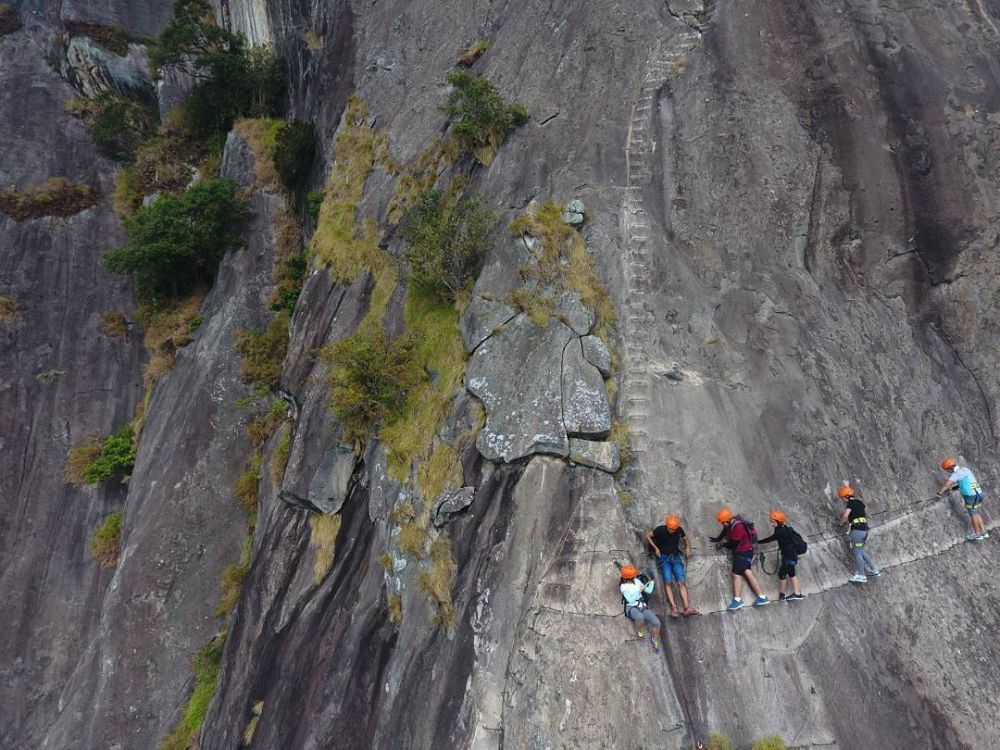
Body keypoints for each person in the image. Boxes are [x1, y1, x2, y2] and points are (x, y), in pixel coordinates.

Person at [709, 508, 769, 610]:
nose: (723, 524)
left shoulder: (738, 527)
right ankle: (762, 597)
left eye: (723, 522)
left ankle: (737, 600)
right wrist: (718, 539)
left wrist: (723, 544)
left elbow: (733, 544)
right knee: (748, 574)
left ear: (728, 520)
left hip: (743, 552)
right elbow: (726, 530)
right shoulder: (732, 522)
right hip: (747, 551)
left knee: (736, 574)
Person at [645, 515, 699, 617]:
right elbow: (648, 536)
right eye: (670, 528)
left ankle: (687, 608)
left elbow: (685, 538)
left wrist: (688, 547)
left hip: (675, 556)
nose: (672, 531)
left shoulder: (678, 529)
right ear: (667, 525)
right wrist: (656, 548)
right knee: (668, 583)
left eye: (673, 529)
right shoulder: (660, 530)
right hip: (664, 558)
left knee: (681, 582)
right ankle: (674, 608)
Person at [756, 510, 805, 601]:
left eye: (773, 522)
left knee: (782, 574)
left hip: (789, 557)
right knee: (792, 574)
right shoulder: (785, 528)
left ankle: (782, 595)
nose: (772, 524)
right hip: (792, 556)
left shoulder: (780, 531)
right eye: (771, 521)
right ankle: (797, 593)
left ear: (778, 522)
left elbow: (770, 539)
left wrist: (758, 542)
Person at [937, 458, 989, 541]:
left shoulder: (956, 474)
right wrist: (953, 488)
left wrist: (939, 493)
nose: (948, 472)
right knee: (976, 512)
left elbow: (947, 484)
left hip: (970, 496)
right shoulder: (965, 469)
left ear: (949, 468)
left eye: (947, 470)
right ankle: (984, 532)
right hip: (979, 493)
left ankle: (977, 534)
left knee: (973, 514)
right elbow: (965, 482)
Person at [837, 485, 881, 583]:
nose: (842, 500)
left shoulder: (850, 504)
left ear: (845, 496)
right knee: (861, 551)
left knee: (857, 553)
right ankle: (874, 569)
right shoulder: (860, 502)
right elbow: (867, 514)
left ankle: (861, 575)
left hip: (856, 531)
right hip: (865, 530)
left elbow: (845, 516)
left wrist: (840, 524)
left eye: (842, 498)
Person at [619, 564, 663, 653]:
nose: (635, 577)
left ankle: (655, 639)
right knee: (640, 617)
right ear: (629, 577)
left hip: (641, 606)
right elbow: (630, 599)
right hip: (631, 607)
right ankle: (640, 633)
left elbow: (649, 590)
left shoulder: (637, 581)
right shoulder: (623, 586)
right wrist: (639, 591)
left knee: (657, 623)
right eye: (633, 576)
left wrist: (652, 581)